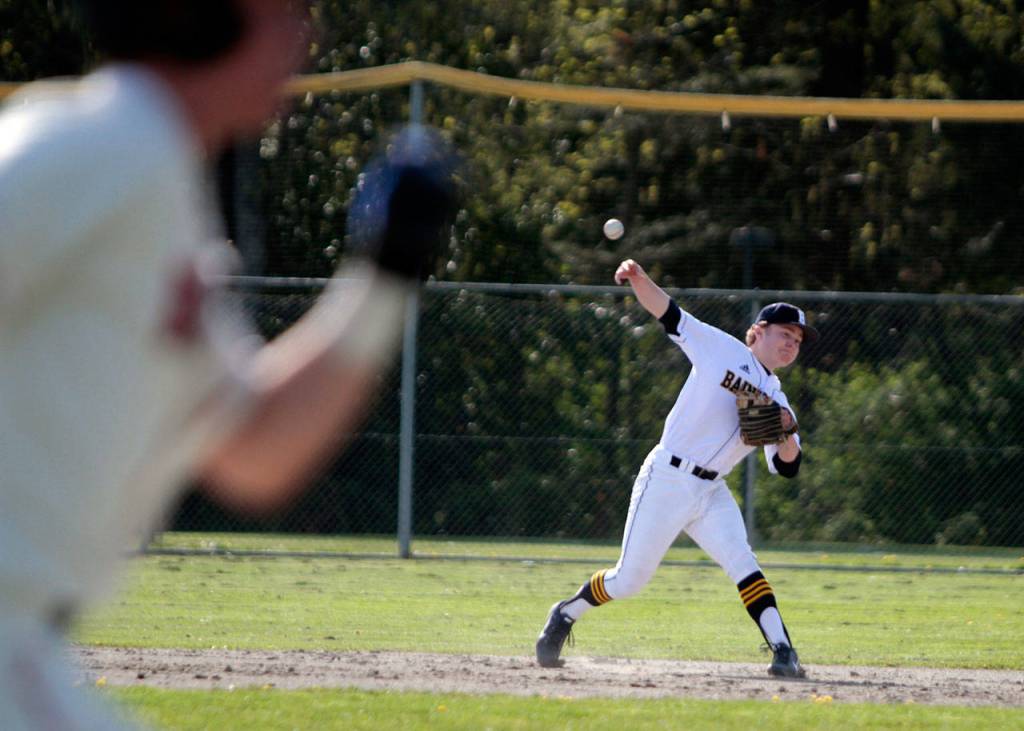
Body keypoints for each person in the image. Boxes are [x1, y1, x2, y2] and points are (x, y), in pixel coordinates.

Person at [0, 1, 454, 728]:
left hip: (28, 656)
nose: (305, 37)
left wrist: (385, 277)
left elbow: (254, 449)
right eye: (288, 13)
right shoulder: (98, 143)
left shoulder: (155, 181)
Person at [535, 258, 817, 678]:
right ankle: (565, 613)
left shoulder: (778, 400)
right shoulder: (720, 348)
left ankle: (783, 650)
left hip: (711, 491)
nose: (792, 343)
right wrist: (638, 277)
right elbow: (669, 313)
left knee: (743, 561)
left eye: (797, 339)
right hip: (667, 477)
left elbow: (787, 468)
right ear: (756, 333)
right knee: (629, 580)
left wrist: (788, 433)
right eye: (784, 334)